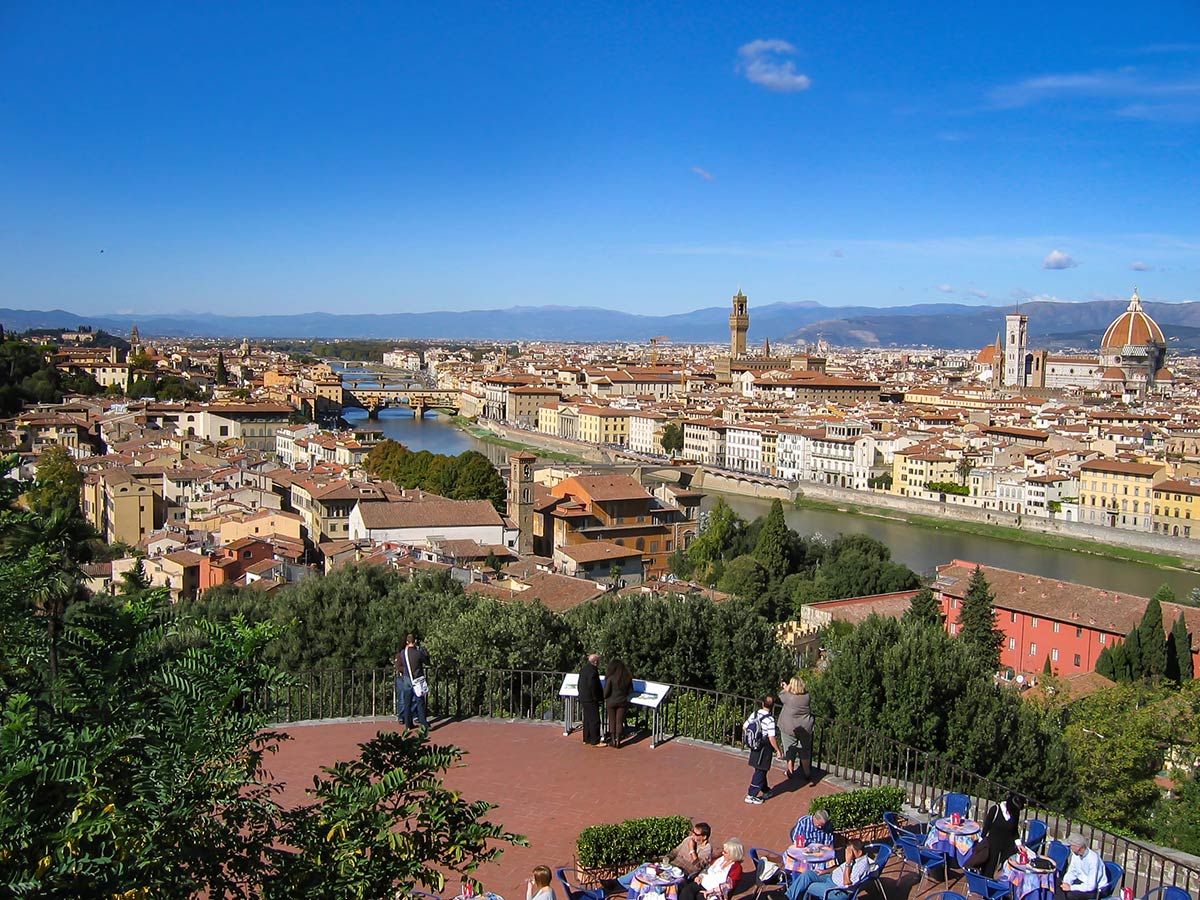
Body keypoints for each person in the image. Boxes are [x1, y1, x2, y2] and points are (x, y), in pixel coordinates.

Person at [617, 822, 714, 888]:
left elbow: (697, 866)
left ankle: (623, 886)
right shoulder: (688, 840)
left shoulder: (707, 849)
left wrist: (692, 850)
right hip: (670, 867)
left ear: (704, 837)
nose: (693, 836)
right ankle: (617, 882)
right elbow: (675, 852)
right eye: (693, 832)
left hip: (682, 874)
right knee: (646, 866)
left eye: (696, 834)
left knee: (654, 883)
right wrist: (667, 858)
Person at [785, 839, 870, 900]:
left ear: (859, 853)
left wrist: (848, 862)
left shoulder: (862, 865)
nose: (848, 854)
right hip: (830, 877)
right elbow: (840, 869)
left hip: (837, 890)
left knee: (808, 886)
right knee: (807, 875)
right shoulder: (855, 858)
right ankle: (787, 897)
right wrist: (825, 871)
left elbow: (846, 884)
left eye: (850, 852)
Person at [744, 694, 783, 804]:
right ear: (772, 706)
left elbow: (745, 726)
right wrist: (778, 750)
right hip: (764, 748)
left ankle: (765, 790)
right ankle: (751, 794)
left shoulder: (755, 714)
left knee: (759, 769)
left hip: (755, 746)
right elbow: (771, 737)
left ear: (762, 703)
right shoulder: (770, 719)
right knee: (761, 771)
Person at [676, 838, 744, 900]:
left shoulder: (736, 868)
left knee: (700, 897)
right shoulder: (720, 858)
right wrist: (700, 876)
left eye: (725, 852)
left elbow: (728, 886)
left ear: (733, 854)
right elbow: (706, 868)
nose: (723, 853)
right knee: (687, 891)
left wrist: (710, 891)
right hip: (703, 882)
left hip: (715, 892)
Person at [779, 676, 817, 784]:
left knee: (789, 749)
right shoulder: (807, 696)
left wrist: (786, 688)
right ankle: (807, 773)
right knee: (804, 751)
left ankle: (790, 771)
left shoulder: (789, 697)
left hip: (789, 727)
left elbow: (781, 695)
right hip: (805, 727)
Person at [980, 794, 1023, 877]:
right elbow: (986, 827)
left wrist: (1019, 844)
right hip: (993, 842)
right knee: (989, 866)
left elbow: (1014, 830)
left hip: (1008, 844)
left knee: (1006, 868)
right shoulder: (995, 810)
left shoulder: (1015, 812)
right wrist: (981, 841)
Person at [396, 633, 431, 731]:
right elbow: (427, 661)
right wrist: (425, 653)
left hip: (407, 679)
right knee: (419, 702)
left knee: (407, 702)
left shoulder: (403, 653)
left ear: (407, 642)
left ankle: (408, 724)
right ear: (415, 641)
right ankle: (424, 723)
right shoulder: (418, 653)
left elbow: (400, 664)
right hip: (417, 678)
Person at [1059, 833, 1104, 900]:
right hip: (1081, 882)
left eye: (1070, 846)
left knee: (1070, 895)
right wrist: (1066, 882)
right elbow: (1072, 872)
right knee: (1057, 885)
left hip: (1095, 889)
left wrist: (1071, 888)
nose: (1069, 848)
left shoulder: (1093, 859)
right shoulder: (1075, 855)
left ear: (1078, 847)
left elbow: (1091, 886)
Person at [604, 658, 633, 749]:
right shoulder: (627, 677)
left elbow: (606, 693)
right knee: (619, 721)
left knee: (612, 720)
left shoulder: (611, 678)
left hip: (611, 702)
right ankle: (619, 741)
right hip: (622, 702)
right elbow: (630, 690)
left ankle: (613, 740)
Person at [578, 652, 604, 746]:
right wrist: (596, 697)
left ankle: (586, 738)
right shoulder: (593, 671)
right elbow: (592, 685)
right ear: (596, 662)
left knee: (587, 719)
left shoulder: (584, 669)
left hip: (583, 697)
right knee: (595, 720)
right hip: (591, 699)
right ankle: (595, 740)